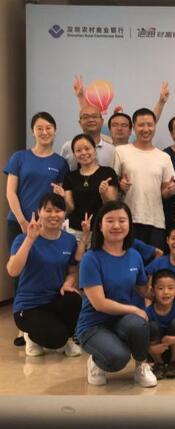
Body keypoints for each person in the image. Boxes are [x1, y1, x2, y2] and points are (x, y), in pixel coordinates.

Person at [5, 112, 69, 346]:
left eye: (48, 127)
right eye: (39, 128)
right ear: (33, 131)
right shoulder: (20, 157)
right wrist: (23, 221)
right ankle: (22, 328)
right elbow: (10, 192)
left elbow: (60, 199)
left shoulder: (60, 163)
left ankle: (43, 318)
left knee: (46, 269)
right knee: (20, 270)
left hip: (48, 226)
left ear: (55, 130)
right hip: (19, 223)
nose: (44, 132)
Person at [76, 200, 156, 387]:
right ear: (100, 225)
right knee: (118, 358)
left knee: (139, 325)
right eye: (110, 221)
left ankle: (141, 366)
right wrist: (134, 309)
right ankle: (96, 361)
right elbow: (100, 304)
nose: (117, 226)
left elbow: (143, 290)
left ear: (129, 224)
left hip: (122, 320)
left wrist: (169, 293)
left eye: (122, 220)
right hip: (94, 325)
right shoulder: (91, 259)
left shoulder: (134, 256)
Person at [7, 193, 86, 357]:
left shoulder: (69, 240)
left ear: (64, 214)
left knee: (74, 298)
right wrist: (30, 239)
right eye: (48, 210)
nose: (53, 215)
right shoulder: (23, 238)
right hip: (28, 306)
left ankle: (67, 339)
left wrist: (68, 283)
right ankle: (31, 336)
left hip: (54, 300)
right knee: (56, 339)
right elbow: (13, 271)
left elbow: (72, 270)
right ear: (39, 212)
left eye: (58, 210)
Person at [112, 108, 175, 248]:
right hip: (127, 219)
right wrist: (120, 185)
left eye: (150, 125)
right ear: (133, 128)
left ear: (155, 127)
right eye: (141, 125)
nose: (146, 129)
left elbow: (164, 193)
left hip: (155, 221)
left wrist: (170, 190)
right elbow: (112, 184)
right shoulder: (121, 151)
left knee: (155, 260)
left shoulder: (164, 157)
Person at [59, 134, 119, 241]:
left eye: (87, 149)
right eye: (78, 150)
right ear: (74, 154)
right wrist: (63, 196)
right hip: (75, 230)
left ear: (94, 150)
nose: (83, 153)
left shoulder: (107, 173)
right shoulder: (70, 176)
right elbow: (70, 208)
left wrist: (103, 193)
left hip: (100, 230)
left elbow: (112, 205)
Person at [59, 105, 114, 170]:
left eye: (94, 116)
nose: (91, 120)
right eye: (86, 117)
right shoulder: (68, 147)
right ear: (80, 123)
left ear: (102, 121)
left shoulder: (112, 150)